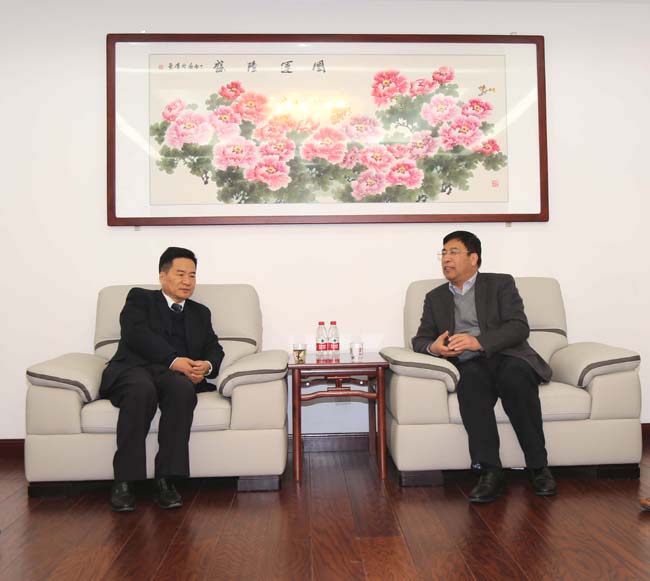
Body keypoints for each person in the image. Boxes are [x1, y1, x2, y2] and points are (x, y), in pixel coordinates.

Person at [412, 231, 557, 503]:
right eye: (443, 253)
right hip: (469, 364)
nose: (446, 259)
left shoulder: (500, 284)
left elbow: (518, 327)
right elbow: (420, 340)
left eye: (453, 252)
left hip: (507, 356)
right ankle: (490, 472)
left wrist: (478, 342)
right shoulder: (435, 298)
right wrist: (435, 348)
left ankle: (539, 467)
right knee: (470, 387)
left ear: (473, 258)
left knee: (516, 377)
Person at [99, 247, 224, 512]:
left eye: (192, 275)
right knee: (140, 390)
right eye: (180, 274)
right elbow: (136, 334)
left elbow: (214, 348)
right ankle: (124, 481)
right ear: (162, 276)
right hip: (134, 369)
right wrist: (173, 360)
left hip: (171, 376)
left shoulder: (200, 313)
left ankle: (166, 480)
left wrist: (206, 366)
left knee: (182, 390)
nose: (187, 281)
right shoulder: (140, 299)